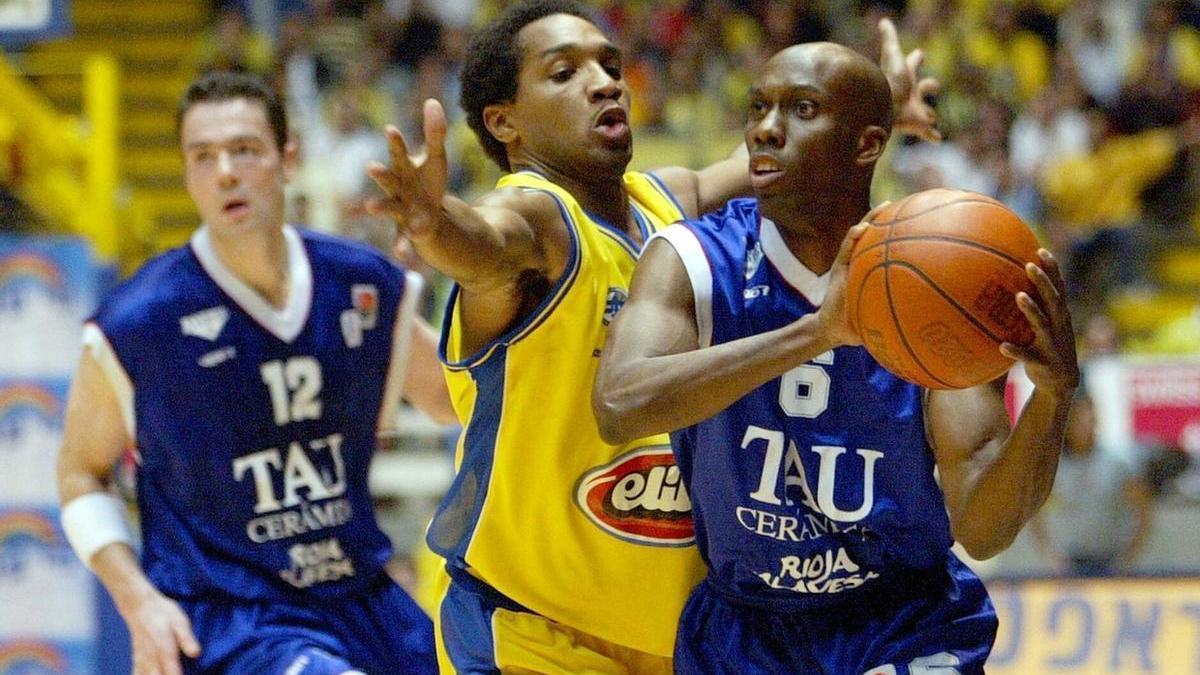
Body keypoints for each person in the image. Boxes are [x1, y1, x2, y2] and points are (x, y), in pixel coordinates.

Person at [366, 0, 940, 670]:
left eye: (609, 64)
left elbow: (766, 158)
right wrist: (438, 227)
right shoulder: (536, 217)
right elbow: (487, 245)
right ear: (504, 121)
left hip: (675, 641)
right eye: (564, 72)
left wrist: (873, 106)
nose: (605, 81)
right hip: (534, 633)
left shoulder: (665, 204)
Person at [592, 42, 1080, 673]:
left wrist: (1053, 397)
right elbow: (620, 406)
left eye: (801, 108)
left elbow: (984, 528)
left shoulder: (937, 283)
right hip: (744, 627)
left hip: (902, 621)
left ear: (866, 146)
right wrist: (819, 332)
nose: (765, 129)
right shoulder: (692, 258)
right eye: (759, 107)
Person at [56, 71, 449, 675]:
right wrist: (137, 603)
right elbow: (82, 474)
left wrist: (461, 245)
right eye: (203, 157)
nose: (225, 173)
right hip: (228, 617)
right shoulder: (139, 322)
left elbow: (457, 401)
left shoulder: (361, 285)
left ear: (286, 158)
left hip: (359, 599)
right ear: (187, 176)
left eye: (243, 150)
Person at [1030, 389, 1154, 577]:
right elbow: (1034, 514)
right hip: (1068, 563)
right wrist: (1050, 555)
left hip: (1110, 561)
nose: (1085, 425)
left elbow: (1144, 511)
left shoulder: (1117, 465)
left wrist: (1128, 557)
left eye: (1089, 417)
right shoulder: (1052, 469)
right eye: (1078, 419)